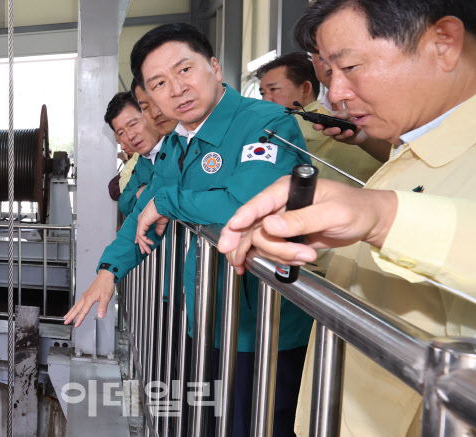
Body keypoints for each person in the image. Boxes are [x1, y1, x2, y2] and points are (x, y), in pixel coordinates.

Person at [219, 0, 476, 435]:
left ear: (443, 43)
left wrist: (380, 216)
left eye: (350, 67)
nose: (335, 94)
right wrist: (309, 241)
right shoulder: (407, 149)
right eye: (329, 75)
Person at [66, 22, 313, 437]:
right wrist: (109, 270)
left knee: (263, 424)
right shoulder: (180, 141)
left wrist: (167, 201)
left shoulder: (266, 123)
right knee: (219, 420)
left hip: (265, 325)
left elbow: (243, 205)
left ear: (214, 67)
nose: (176, 89)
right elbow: (146, 211)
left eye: (184, 70)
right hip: (210, 316)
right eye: (159, 83)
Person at [257, 52, 382, 187]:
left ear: (306, 88)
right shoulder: (285, 126)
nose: (266, 99)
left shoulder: (383, 113)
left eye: (274, 89)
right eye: (263, 93)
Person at [103, 91, 162, 210]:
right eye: (121, 133)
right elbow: (124, 202)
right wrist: (139, 193)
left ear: (150, 113)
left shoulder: (178, 148)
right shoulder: (143, 160)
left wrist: (143, 193)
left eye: (133, 124)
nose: (130, 136)